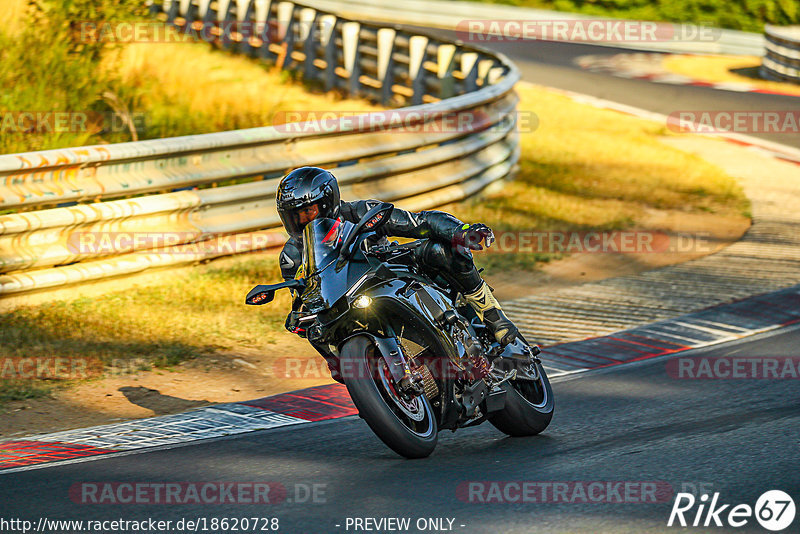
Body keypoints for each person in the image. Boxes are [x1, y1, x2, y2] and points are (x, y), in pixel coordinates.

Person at [276, 166, 520, 346]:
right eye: (294, 216)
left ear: (328, 202)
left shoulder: (361, 212)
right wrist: (299, 316)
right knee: (316, 330)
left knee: (440, 250)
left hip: (393, 271)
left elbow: (419, 222)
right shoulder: (291, 257)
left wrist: (461, 231)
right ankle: (344, 367)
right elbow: (306, 298)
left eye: (308, 212)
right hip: (348, 301)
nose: (302, 221)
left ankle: (492, 315)